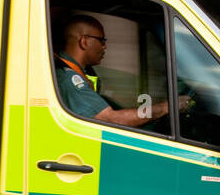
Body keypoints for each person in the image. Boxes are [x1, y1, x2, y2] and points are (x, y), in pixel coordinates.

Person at [54, 14, 189, 127]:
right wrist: (166, 108)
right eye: (102, 40)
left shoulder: (80, 72)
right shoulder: (69, 79)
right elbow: (111, 119)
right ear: (84, 41)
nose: (105, 47)